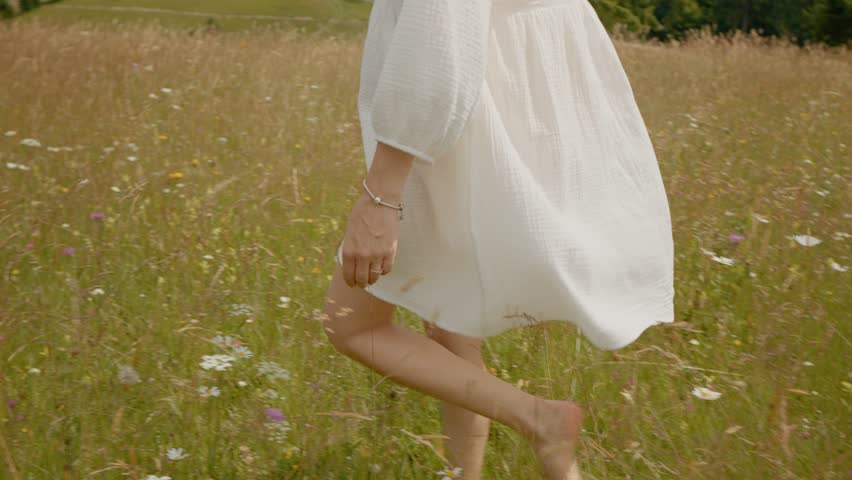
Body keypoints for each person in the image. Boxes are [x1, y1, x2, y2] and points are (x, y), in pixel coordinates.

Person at [323, 0, 676, 478]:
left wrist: (382, 193)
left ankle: (540, 420)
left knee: (353, 325)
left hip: (455, 109)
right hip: (486, 96)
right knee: (448, 321)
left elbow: (438, 27)